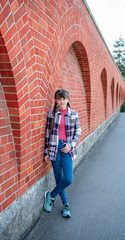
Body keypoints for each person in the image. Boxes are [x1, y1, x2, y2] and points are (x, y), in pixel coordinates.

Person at [44, 89, 81, 218]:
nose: (61, 101)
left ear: (68, 100)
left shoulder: (74, 114)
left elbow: (78, 132)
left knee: (68, 179)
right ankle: (65, 204)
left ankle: (51, 195)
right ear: (56, 100)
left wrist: (71, 146)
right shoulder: (52, 114)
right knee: (59, 178)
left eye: (63, 98)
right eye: (59, 99)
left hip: (67, 149)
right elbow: (47, 134)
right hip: (54, 148)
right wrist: (46, 152)